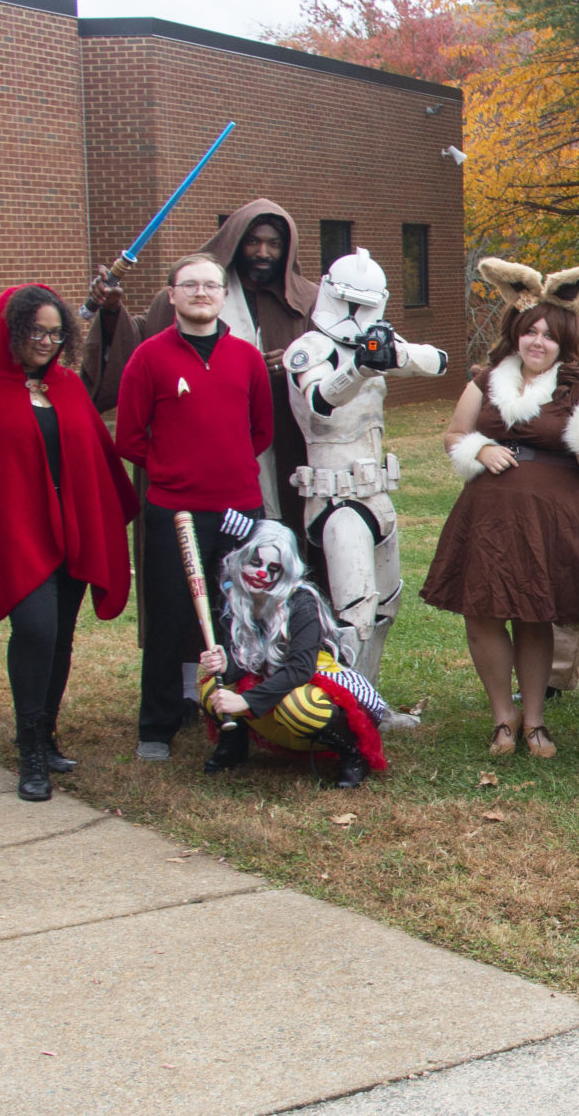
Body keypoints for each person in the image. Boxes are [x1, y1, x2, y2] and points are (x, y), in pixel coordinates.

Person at [0, 285, 139, 803]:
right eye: (34, 332)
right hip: (14, 534)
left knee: (61, 634)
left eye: (54, 332)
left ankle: (47, 736)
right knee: (36, 630)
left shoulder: (66, 387)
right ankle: (27, 749)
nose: (45, 342)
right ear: (10, 330)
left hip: (70, 530)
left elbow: (94, 455)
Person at [422, 281, 579, 758]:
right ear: (517, 334)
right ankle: (502, 719)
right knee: (483, 612)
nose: (538, 342)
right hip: (489, 515)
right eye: (531, 331)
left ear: (564, 341)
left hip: (552, 516)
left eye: (549, 335)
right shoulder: (486, 380)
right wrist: (479, 448)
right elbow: (454, 433)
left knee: (535, 615)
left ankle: (534, 722)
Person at [114, 252, 273, 763]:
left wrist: (223, 470)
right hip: (173, 513)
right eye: (190, 286)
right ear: (173, 295)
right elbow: (130, 438)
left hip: (239, 511)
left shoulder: (247, 357)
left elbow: (261, 431)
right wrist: (174, 472)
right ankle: (156, 726)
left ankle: (236, 717)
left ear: (224, 295)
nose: (201, 293)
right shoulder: (149, 357)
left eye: (211, 285)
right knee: (169, 618)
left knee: (240, 617)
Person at [83, 200, 315, 519]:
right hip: (184, 480)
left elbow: (332, 367)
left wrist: (297, 363)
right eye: (253, 241)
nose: (263, 252)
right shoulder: (186, 298)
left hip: (275, 449)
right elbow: (140, 348)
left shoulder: (307, 301)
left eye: (274, 244)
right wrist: (110, 311)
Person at [282, 249, 450, 684]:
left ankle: (367, 702)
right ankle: (346, 711)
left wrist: (393, 354)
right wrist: (358, 368)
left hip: (376, 492)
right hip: (333, 495)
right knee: (354, 611)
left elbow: (439, 361)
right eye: (349, 301)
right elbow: (320, 401)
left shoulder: (370, 345)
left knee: (384, 608)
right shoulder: (308, 348)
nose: (356, 312)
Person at [196, 521, 393, 790]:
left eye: (273, 569)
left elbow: (300, 669)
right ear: (241, 559)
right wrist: (224, 663)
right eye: (255, 562)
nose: (262, 573)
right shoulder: (237, 596)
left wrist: (244, 701)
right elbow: (246, 660)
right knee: (211, 687)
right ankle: (234, 742)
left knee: (300, 705)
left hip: (315, 682)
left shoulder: (302, 602)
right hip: (271, 681)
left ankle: (351, 752)